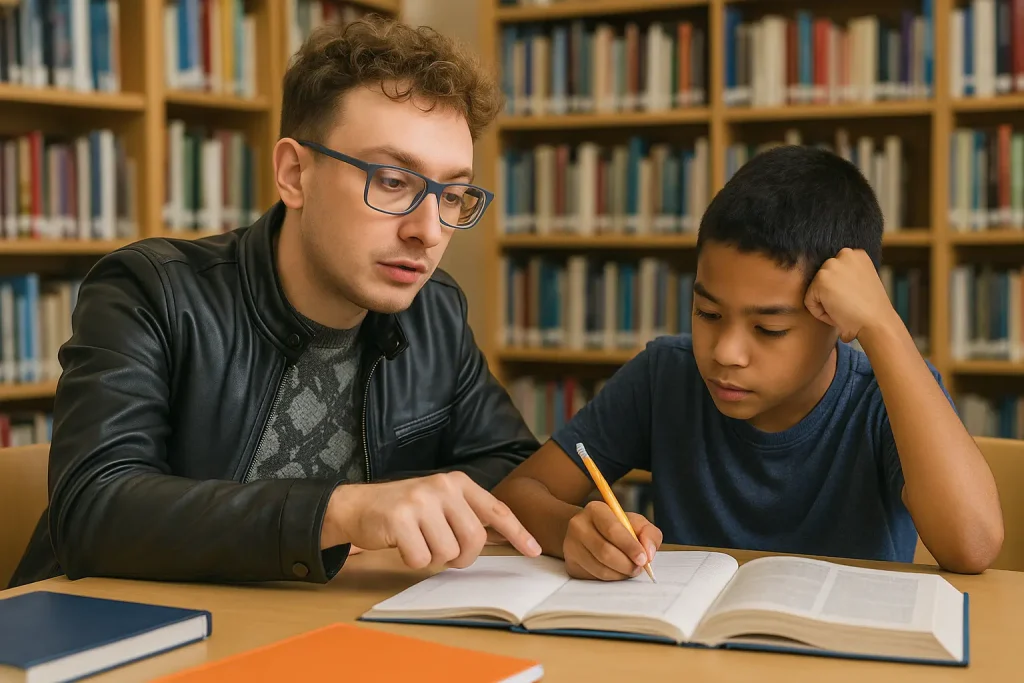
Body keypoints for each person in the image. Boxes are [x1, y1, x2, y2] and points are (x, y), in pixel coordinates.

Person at [9, 16, 543, 589]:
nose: (429, 230)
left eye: (453, 194)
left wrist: (408, 508)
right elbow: (93, 510)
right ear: (294, 174)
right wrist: (341, 512)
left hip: (322, 631)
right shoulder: (150, 291)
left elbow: (512, 467)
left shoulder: (433, 309)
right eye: (392, 181)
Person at [493, 145, 1005, 581]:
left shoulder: (887, 394)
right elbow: (518, 493)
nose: (725, 353)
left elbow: (973, 546)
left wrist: (883, 327)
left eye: (769, 329)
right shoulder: (665, 377)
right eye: (707, 312)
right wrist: (572, 531)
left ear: (837, 317)